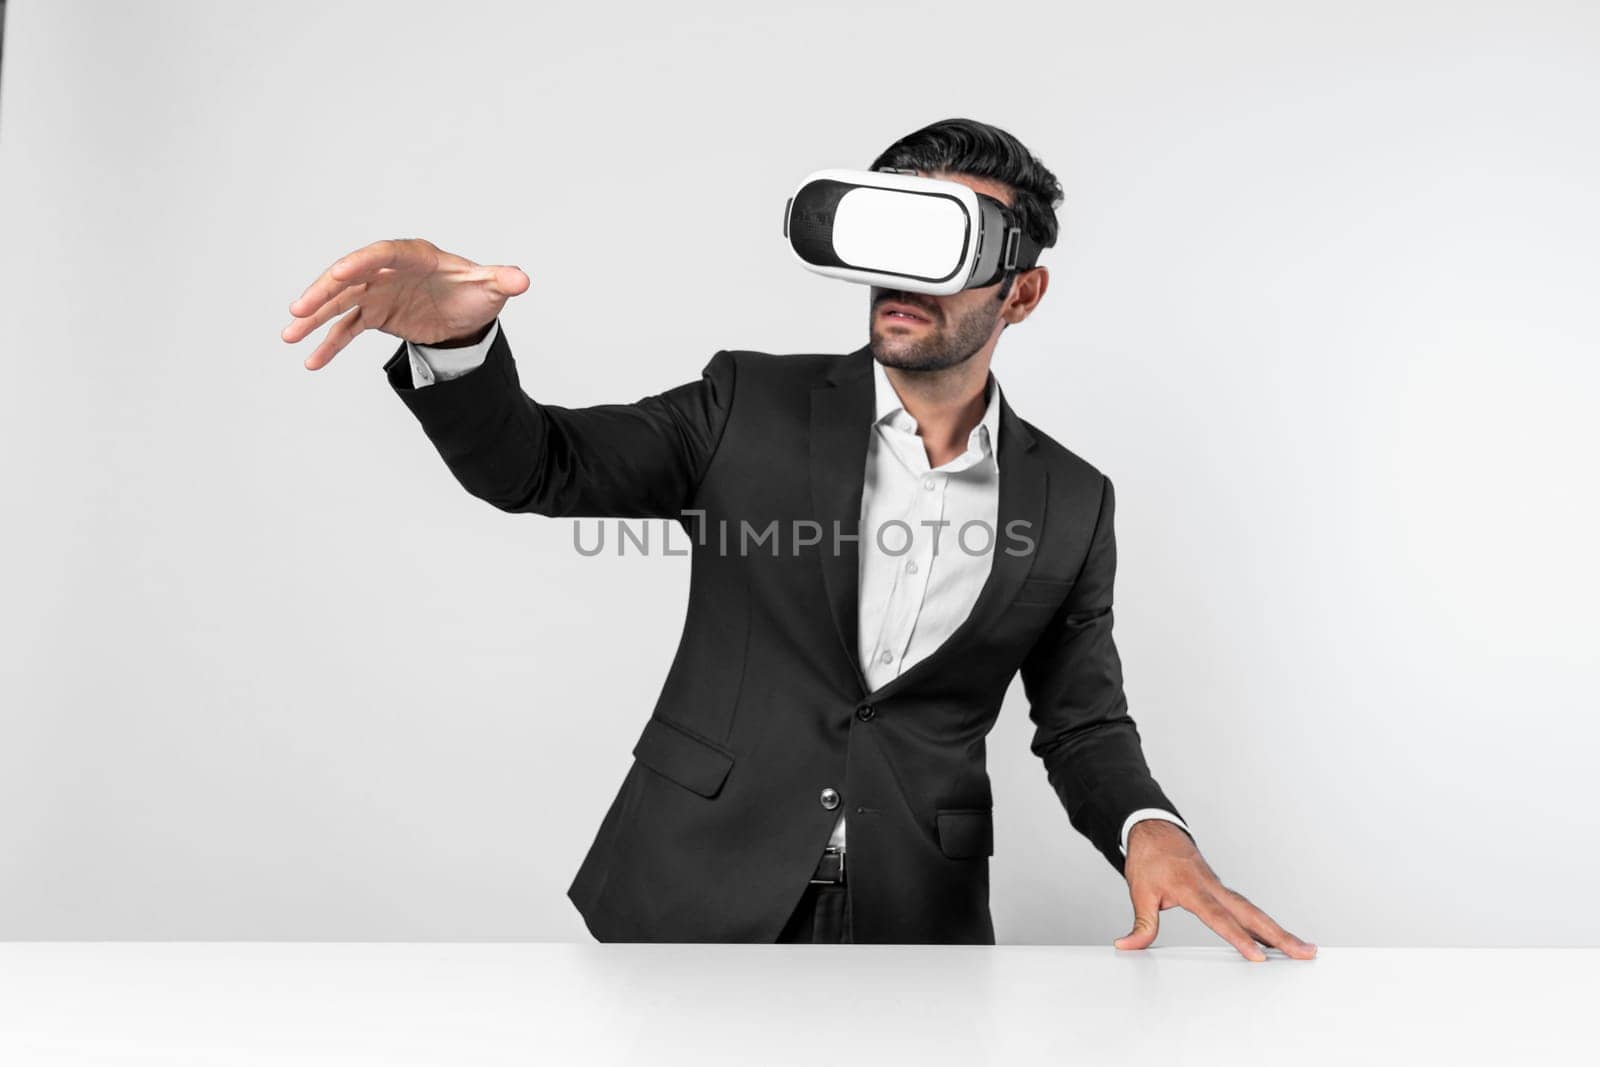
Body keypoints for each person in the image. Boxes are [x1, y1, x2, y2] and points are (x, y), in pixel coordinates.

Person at [281, 118, 1316, 958]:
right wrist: (456, 341)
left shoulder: (1075, 499)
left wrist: (1153, 830)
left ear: (1023, 290)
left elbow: (1082, 720)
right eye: (894, 235)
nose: (905, 275)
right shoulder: (749, 403)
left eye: (950, 244)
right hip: (685, 893)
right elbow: (537, 466)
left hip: (914, 919)